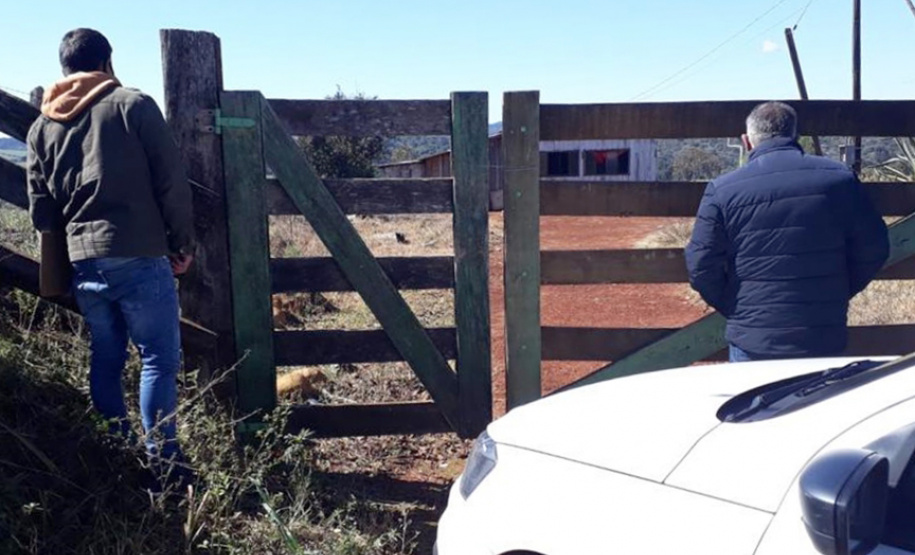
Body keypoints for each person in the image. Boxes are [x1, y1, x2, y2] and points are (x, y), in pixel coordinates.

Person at [26, 28, 195, 483]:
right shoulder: (132, 106)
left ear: (64, 69)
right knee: (158, 358)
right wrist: (182, 243)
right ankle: (167, 467)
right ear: (106, 62)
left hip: (84, 262)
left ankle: (118, 457)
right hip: (139, 252)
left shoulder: (41, 126)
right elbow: (171, 181)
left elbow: (41, 210)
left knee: (106, 355)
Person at [685, 101, 889, 362]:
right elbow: (875, 248)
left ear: (747, 141)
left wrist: (737, 308)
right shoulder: (840, 179)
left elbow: (701, 265)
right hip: (822, 332)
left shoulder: (722, 189)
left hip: (753, 336)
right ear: (796, 136)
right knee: (820, 402)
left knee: (753, 402)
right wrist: (836, 291)